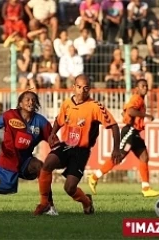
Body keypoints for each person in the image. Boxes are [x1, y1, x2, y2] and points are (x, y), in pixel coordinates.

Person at [34, 75, 123, 215]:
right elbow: (59, 120)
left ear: (90, 89)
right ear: (74, 87)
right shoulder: (67, 103)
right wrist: (52, 133)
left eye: (86, 88)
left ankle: (87, 202)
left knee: (69, 188)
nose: (82, 91)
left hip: (81, 151)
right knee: (47, 164)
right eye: (79, 87)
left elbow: (114, 126)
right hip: (65, 146)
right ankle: (45, 204)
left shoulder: (95, 106)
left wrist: (116, 148)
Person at [88, 79, 159, 198]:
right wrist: (146, 115)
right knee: (119, 157)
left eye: (146, 86)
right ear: (137, 88)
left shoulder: (139, 99)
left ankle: (146, 188)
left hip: (135, 132)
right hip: (130, 131)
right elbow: (130, 110)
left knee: (144, 156)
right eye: (142, 86)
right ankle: (94, 177)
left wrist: (128, 116)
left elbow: (125, 111)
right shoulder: (137, 98)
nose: (145, 88)